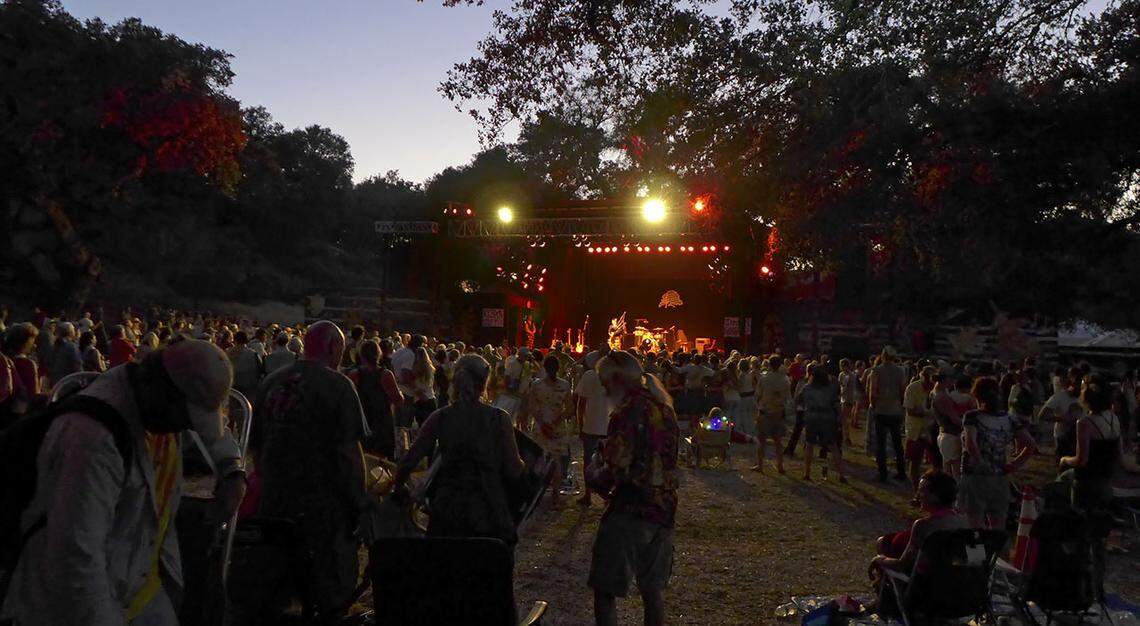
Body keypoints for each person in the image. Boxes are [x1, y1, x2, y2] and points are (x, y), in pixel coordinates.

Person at [0, 340, 246, 626]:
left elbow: (213, 434)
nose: (187, 426)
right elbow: (77, 558)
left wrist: (232, 469)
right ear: (161, 389)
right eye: (185, 415)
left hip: (139, 586)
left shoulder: (156, 405)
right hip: (84, 604)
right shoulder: (92, 439)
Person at [248, 321, 369, 622]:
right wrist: (360, 503)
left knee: (279, 583)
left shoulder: (271, 382)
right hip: (322, 503)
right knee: (330, 586)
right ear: (333, 347)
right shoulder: (339, 386)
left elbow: (256, 448)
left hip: (275, 498)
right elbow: (349, 453)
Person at [586, 351, 678, 626]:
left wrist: (593, 474)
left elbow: (618, 469)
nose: (604, 391)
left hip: (631, 510)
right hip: (663, 509)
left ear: (616, 380)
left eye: (605, 383)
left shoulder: (626, 412)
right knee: (652, 591)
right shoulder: (664, 408)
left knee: (605, 589)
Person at [394, 354, 525, 545]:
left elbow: (409, 460)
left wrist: (401, 487)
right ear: (484, 384)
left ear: (455, 382)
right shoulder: (499, 419)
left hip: (447, 512)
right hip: (488, 513)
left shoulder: (440, 417)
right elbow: (515, 469)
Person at [869, 470, 969, 598]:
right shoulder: (965, 523)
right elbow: (977, 559)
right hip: (959, 591)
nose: (917, 495)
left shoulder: (924, 526)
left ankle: (885, 600)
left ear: (935, 496)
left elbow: (902, 565)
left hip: (928, 593)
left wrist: (879, 559)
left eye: (922, 490)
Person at [958, 377, 1036, 529]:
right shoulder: (1010, 419)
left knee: (974, 525)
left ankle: (978, 546)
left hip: (974, 476)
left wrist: (980, 463)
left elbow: (971, 443)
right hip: (1000, 475)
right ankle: (997, 545)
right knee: (998, 524)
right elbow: (1030, 444)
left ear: (976, 396)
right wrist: (1014, 465)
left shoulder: (973, 416)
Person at [1059, 373, 1140, 512]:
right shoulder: (1114, 419)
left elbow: (1082, 460)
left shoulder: (1085, 423)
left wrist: (1065, 460)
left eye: (1082, 388)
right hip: (1106, 484)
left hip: (1086, 483)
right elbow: (1121, 459)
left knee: (1078, 517)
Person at [525, 354, 573, 498]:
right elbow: (569, 408)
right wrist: (556, 422)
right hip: (557, 427)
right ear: (558, 368)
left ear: (544, 368)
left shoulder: (536, 385)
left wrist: (542, 424)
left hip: (540, 426)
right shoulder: (564, 385)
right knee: (556, 461)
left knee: (540, 459)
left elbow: (532, 407)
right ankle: (556, 492)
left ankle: (537, 490)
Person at [348, 339, 404, 458]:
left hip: (362, 423)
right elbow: (398, 400)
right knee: (383, 461)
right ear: (378, 354)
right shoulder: (385, 374)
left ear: (362, 355)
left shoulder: (354, 375)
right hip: (383, 424)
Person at [798, 364, 847, 482]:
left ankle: (806, 473)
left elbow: (799, 401)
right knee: (833, 447)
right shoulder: (830, 389)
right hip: (827, 419)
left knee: (809, 445)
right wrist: (840, 418)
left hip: (811, 419)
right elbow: (836, 405)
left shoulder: (807, 388)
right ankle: (841, 474)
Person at [575, 350, 610, 506]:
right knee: (608, 463)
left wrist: (580, 425)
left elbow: (581, 404)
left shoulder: (588, 376)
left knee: (588, 462)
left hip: (590, 426)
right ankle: (607, 496)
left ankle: (588, 494)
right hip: (608, 427)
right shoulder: (613, 376)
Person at [869, 346, 907, 482]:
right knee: (897, 442)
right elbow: (903, 391)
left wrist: (873, 405)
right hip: (895, 409)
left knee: (881, 443)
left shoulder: (876, 370)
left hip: (881, 409)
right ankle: (901, 471)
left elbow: (873, 391)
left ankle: (882, 472)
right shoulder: (901, 370)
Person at [903, 366, 937, 503]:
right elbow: (910, 410)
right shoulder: (912, 388)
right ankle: (917, 493)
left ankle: (933, 494)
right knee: (915, 462)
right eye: (927, 378)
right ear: (922, 376)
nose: (930, 382)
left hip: (931, 430)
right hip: (916, 430)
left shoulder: (936, 390)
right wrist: (929, 413)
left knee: (935, 463)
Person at [754, 355, 790, 474]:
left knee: (761, 440)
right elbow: (787, 398)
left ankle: (760, 465)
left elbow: (758, 394)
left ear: (769, 364)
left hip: (765, 411)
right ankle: (780, 466)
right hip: (778, 412)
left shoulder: (764, 378)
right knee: (778, 441)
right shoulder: (785, 379)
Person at [1039, 366, 1083, 459]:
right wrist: (1063, 419)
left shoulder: (1083, 396)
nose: (1078, 386)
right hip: (1063, 439)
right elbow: (1042, 415)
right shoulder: (1059, 396)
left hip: (1080, 438)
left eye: (1080, 383)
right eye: (1076, 383)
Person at [227, 330, 263, 400]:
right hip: (249, 389)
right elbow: (261, 369)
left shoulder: (227, 353)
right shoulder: (253, 354)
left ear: (235, 340)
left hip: (233, 389)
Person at [49, 321, 82, 387]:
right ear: (71, 332)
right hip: (68, 383)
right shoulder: (71, 346)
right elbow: (77, 366)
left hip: (56, 383)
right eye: (74, 330)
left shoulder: (55, 346)